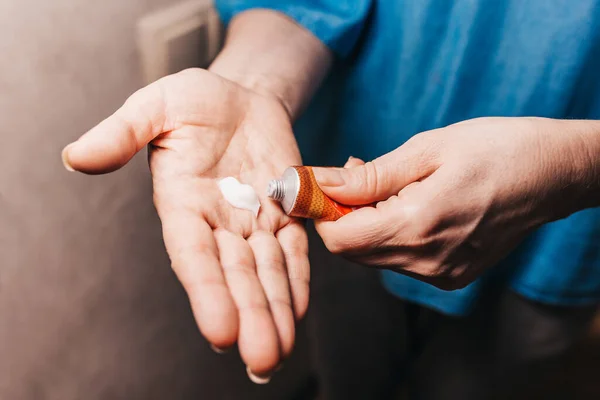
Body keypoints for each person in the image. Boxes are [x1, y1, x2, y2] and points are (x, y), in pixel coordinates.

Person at [61, 1, 600, 397]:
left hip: (553, 248)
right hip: (348, 212)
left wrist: (577, 164)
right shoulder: (295, 202)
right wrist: (251, 82)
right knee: (352, 376)